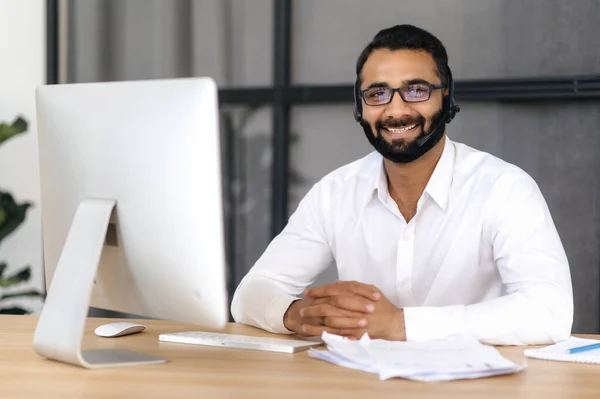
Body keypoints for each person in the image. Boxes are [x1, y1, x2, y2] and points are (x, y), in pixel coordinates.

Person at [231, 24, 573, 345]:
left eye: (416, 90)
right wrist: (301, 314)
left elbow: (550, 312)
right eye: (377, 93)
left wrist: (399, 325)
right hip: (365, 384)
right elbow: (251, 294)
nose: (396, 110)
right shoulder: (335, 192)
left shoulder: (504, 188)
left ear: (446, 97)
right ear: (359, 107)